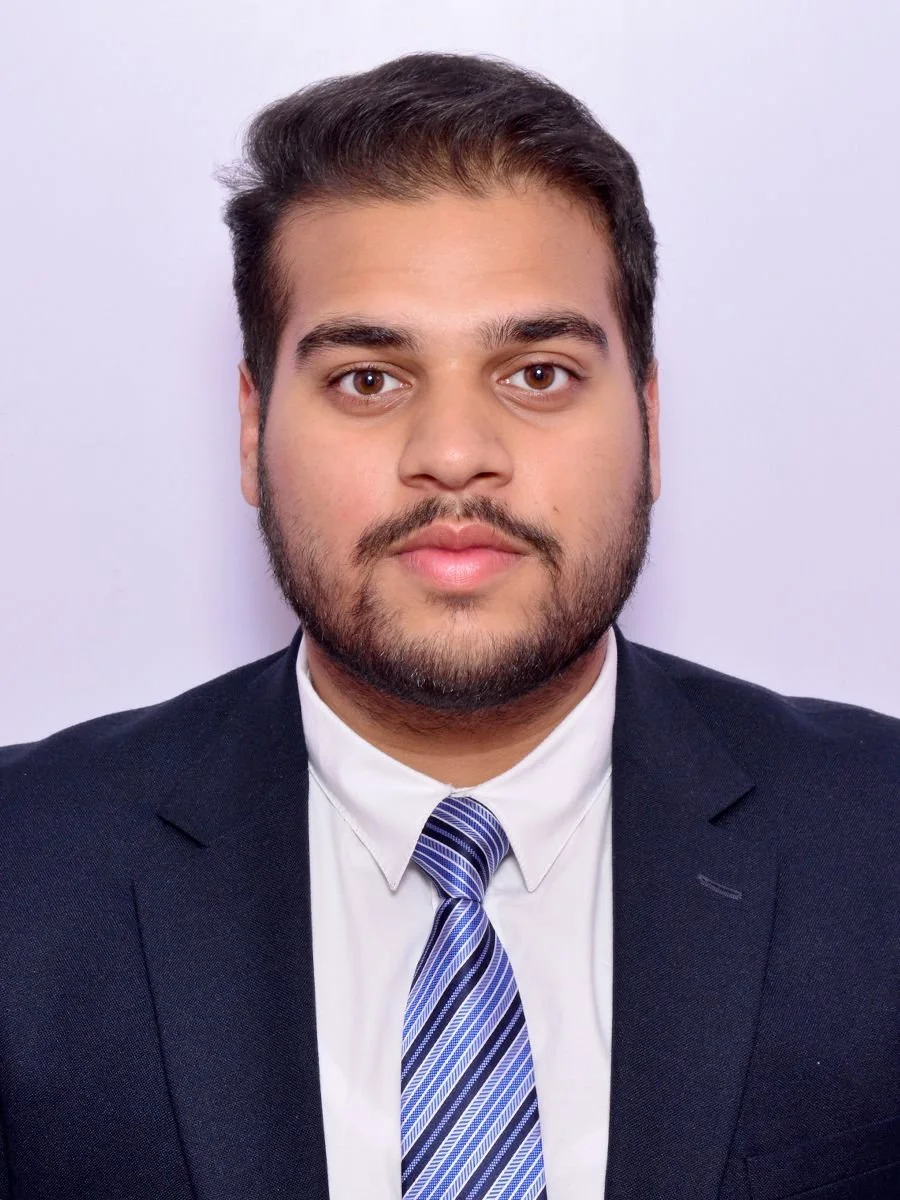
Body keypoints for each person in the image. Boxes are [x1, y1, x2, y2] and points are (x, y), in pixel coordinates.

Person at [0, 50, 897, 1200]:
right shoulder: (24, 875)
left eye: (537, 371)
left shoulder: (882, 842)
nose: (456, 453)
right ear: (250, 428)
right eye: (370, 380)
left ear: (653, 422)